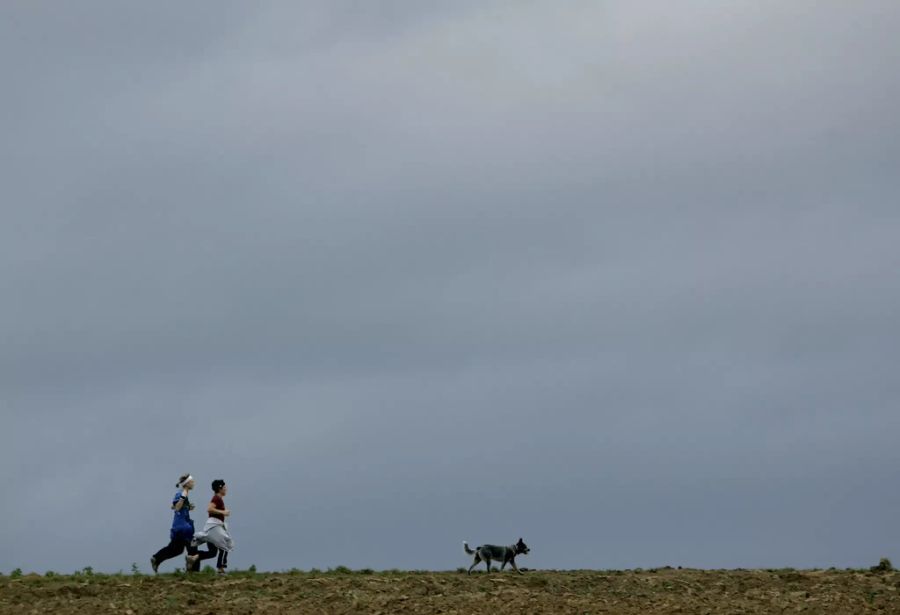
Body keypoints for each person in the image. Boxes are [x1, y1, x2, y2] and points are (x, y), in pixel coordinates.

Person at [150, 473, 199, 573]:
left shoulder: (181, 493)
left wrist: (188, 507)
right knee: (193, 547)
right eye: (192, 481)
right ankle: (193, 572)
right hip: (184, 527)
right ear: (187, 483)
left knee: (176, 549)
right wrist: (182, 499)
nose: (194, 483)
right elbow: (177, 507)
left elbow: (173, 506)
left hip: (177, 527)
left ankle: (156, 558)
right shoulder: (183, 493)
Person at [188, 479, 234, 574]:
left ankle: (194, 557)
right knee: (226, 544)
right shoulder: (216, 498)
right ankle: (221, 569)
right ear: (220, 488)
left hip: (213, 527)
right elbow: (209, 509)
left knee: (212, 553)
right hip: (214, 527)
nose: (226, 489)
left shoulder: (218, 499)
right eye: (224, 487)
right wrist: (223, 512)